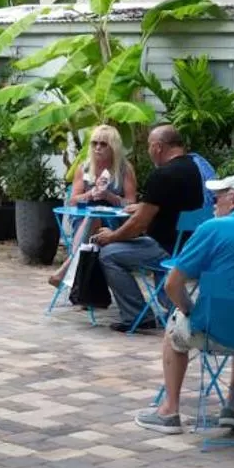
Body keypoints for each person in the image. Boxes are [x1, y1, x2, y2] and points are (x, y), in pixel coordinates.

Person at [133, 173, 234, 434]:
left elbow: (172, 284)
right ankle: (233, 406)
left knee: (174, 328)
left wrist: (188, 310)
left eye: (217, 198)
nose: (213, 204)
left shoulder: (213, 229)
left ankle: (169, 411)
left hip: (211, 333)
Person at [86, 124, 207, 330]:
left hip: (166, 247)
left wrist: (112, 236)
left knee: (108, 254)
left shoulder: (162, 175)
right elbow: (172, 204)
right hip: (189, 244)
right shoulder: (193, 168)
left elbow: (138, 224)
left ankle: (137, 315)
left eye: (150, 146)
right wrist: (142, 206)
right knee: (137, 250)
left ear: (158, 147)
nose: (149, 151)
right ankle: (174, 307)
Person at [46, 124, 139, 286]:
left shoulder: (124, 169)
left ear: (113, 147)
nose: (97, 148)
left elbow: (131, 203)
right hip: (83, 219)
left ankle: (67, 268)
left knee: (94, 219)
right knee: (93, 218)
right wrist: (91, 194)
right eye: (94, 143)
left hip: (114, 222)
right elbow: (73, 200)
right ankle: (85, 287)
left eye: (103, 144)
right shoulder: (84, 168)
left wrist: (109, 196)